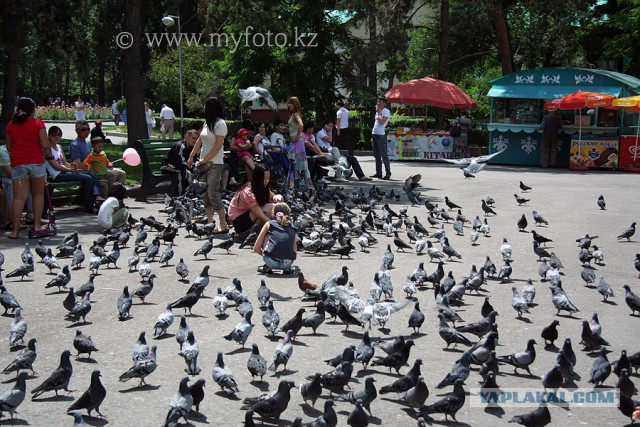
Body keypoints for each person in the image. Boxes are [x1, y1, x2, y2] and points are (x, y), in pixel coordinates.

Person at [5, 97, 53, 239]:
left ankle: (15, 231)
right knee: (38, 194)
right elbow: (45, 145)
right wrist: (49, 156)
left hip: (18, 163)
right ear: (32, 110)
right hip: (36, 162)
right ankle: (37, 226)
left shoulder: (11, 125)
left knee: (19, 198)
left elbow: (8, 146)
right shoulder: (38, 124)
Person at [188, 96, 229, 231]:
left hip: (215, 163)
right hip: (203, 163)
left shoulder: (220, 124)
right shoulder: (207, 123)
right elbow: (200, 140)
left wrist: (205, 159)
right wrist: (192, 155)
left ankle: (223, 224)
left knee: (213, 193)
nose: (204, 108)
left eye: (206, 105)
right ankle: (210, 223)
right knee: (204, 193)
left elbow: (218, 146)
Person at [46, 126, 102, 214]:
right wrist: (70, 170)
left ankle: (95, 198)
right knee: (88, 179)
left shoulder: (59, 147)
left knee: (90, 174)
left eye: (59, 135)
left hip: (65, 171)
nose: (57, 137)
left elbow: (65, 163)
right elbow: (55, 166)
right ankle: (89, 207)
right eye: (54, 135)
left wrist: (72, 166)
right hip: (57, 174)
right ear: (49, 136)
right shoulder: (47, 149)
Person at [229, 164, 283, 234]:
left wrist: (277, 197)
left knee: (278, 205)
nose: (266, 181)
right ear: (257, 178)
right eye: (264, 178)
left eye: (268, 178)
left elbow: (272, 197)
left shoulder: (262, 187)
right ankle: (250, 232)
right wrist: (278, 227)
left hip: (249, 215)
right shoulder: (248, 192)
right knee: (270, 208)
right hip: (239, 221)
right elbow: (260, 215)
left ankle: (261, 230)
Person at [253, 202, 298, 275]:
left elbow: (256, 248)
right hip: (287, 263)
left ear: (273, 214)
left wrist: (267, 254)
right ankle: (287, 268)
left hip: (270, 261)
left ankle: (268, 266)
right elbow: (294, 250)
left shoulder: (269, 224)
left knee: (269, 235)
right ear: (288, 215)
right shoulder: (292, 228)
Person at [162, 128, 199, 195]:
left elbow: (195, 160)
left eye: (196, 139)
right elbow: (180, 163)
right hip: (168, 166)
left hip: (180, 166)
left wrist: (196, 166)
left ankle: (194, 193)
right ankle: (181, 195)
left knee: (196, 170)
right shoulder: (180, 146)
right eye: (193, 138)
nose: (195, 141)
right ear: (187, 136)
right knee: (183, 172)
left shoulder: (192, 147)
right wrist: (192, 166)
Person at [287, 97, 312, 190]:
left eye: (290, 103)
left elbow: (301, 125)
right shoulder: (294, 114)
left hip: (297, 142)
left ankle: (297, 184)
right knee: (296, 163)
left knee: (296, 163)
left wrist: (296, 137)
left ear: (295, 104)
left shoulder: (295, 114)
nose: (289, 105)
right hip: (296, 142)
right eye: (288, 103)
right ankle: (298, 184)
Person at [371, 97, 391, 179]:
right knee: (376, 155)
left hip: (381, 135)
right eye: (378, 101)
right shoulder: (377, 111)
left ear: (384, 103)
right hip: (374, 134)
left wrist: (379, 113)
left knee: (384, 155)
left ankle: (388, 173)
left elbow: (382, 121)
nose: (378, 103)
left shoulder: (386, 111)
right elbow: (376, 123)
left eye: (380, 102)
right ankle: (378, 172)